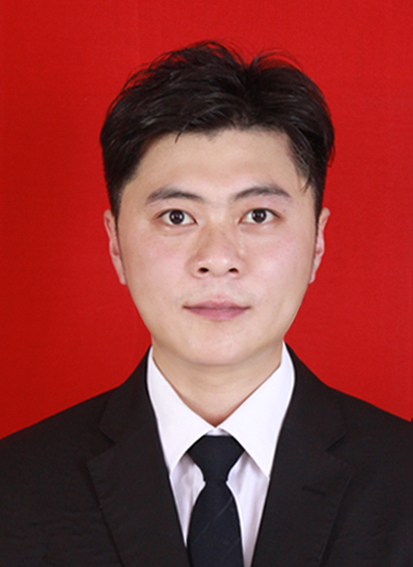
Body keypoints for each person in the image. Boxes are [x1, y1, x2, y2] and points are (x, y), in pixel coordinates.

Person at [0, 41, 410, 567]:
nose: (218, 259)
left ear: (317, 242)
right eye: (177, 217)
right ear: (115, 244)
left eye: (258, 215)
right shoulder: (15, 489)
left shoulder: (402, 479)